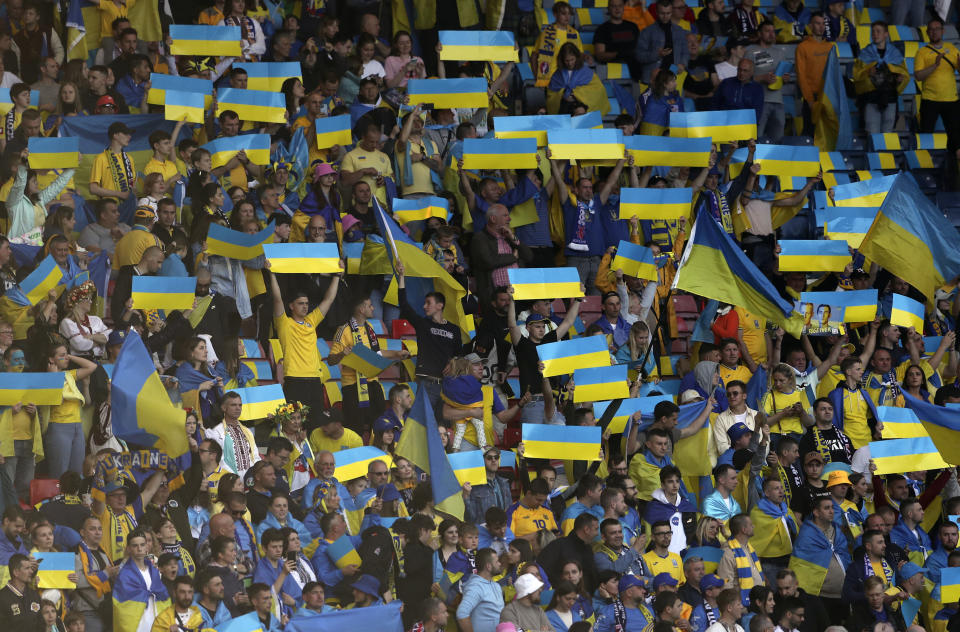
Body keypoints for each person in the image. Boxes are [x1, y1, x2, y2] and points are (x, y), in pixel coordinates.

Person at [112, 529, 170, 632]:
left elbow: (163, 595)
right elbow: (121, 607)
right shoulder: (124, 575)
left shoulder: (154, 571)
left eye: (142, 545)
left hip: (156, 620)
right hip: (137, 625)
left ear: (147, 547)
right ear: (129, 548)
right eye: (135, 546)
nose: (139, 549)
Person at [456, 548, 505, 632]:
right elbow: (462, 613)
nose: (500, 564)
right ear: (488, 566)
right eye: (497, 561)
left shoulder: (496, 585)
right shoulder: (476, 586)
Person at [0, 553, 42, 629]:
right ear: (16, 572)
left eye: (31, 568)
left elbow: (41, 624)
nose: (31, 572)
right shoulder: (2, 598)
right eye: (27, 568)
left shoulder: (34, 595)